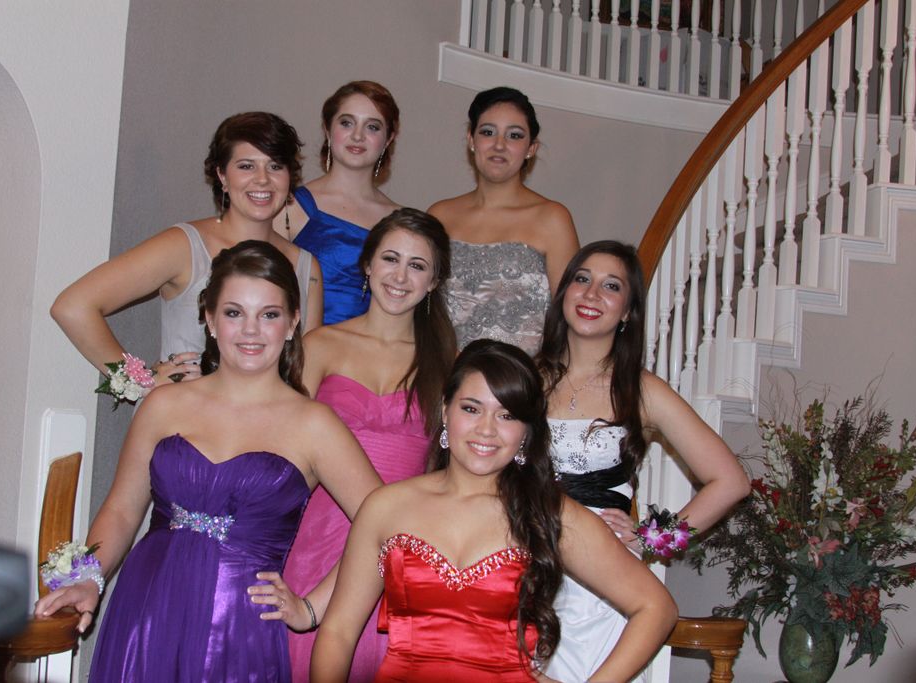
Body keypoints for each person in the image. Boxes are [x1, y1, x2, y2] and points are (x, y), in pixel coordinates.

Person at [35, 241, 381, 682]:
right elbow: (121, 509)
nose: (251, 330)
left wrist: (312, 608)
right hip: (147, 611)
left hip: (240, 629)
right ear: (210, 319)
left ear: (293, 322)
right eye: (234, 313)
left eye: (269, 315)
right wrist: (89, 579)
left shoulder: (315, 425)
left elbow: (387, 529)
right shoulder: (164, 405)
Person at [312, 340, 678, 682]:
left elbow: (655, 607)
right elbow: (338, 631)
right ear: (445, 410)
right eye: (471, 409)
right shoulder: (386, 507)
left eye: (507, 415)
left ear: (527, 431)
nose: (486, 430)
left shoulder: (548, 513)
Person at [535, 241, 751, 681]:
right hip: (526, 565)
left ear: (628, 312)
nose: (592, 294)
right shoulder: (525, 378)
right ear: (564, 294)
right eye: (582, 279)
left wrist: (652, 541)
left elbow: (731, 482)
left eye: (611, 286)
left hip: (602, 589)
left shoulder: (642, 390)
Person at [283, 208, 457, 681]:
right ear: (367, 264)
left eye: (417, 266)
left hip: (407, 545)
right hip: (315, 539)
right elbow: (282, 448)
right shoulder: (320, 345)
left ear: (434, 281)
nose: (400, 277)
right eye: (390, 259)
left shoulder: (449, 363)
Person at [52, 112, 323, 394]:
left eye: (275, 166)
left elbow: (305, 371)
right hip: (181, 416)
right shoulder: (183, 245)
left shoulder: (306, 266)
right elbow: (73, 306)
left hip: (265, 420)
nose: (262, 179)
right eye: (246, 166)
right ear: (222, 175)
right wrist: (138, 382)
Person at [428, 87, 579, 356]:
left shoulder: (553, 219)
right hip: (445, 373)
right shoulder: (440, 215)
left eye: (514, 135)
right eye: (488, 132)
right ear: (471, 140)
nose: (499, 145)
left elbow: (569, 320)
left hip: (520, 376)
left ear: (531, 148)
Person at [276, 80, 400, 325]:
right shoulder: (290, 206)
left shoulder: (400, 222)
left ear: (388, 139)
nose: (358, 136)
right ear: (327, 129)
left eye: (372, 127)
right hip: (300, 344)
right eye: (346, 123)